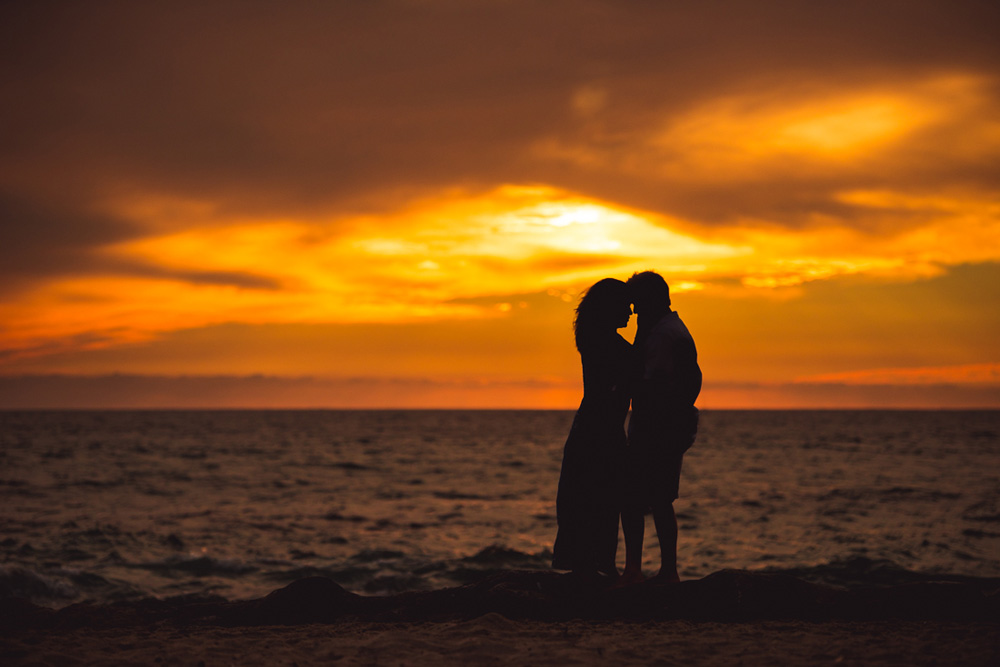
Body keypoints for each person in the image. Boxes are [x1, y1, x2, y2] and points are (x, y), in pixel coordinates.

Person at [621, 271, 701, 584]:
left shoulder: (666, 335)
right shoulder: (663, 330)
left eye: (637, 303)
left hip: (658, 428)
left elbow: (683, 382)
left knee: (636, 499)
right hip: (660, 426)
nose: (634, 311)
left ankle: (639, 571)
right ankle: (661, 570)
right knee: (658, 499)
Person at [552, 278, 634, 580]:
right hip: (598, 427)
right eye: (626, 306)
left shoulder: (595, 337)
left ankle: (595, 563)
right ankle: (596, 564)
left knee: (594, 495)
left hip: (597, 424)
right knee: (597, 495)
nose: (631, 312)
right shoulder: (603, 341)